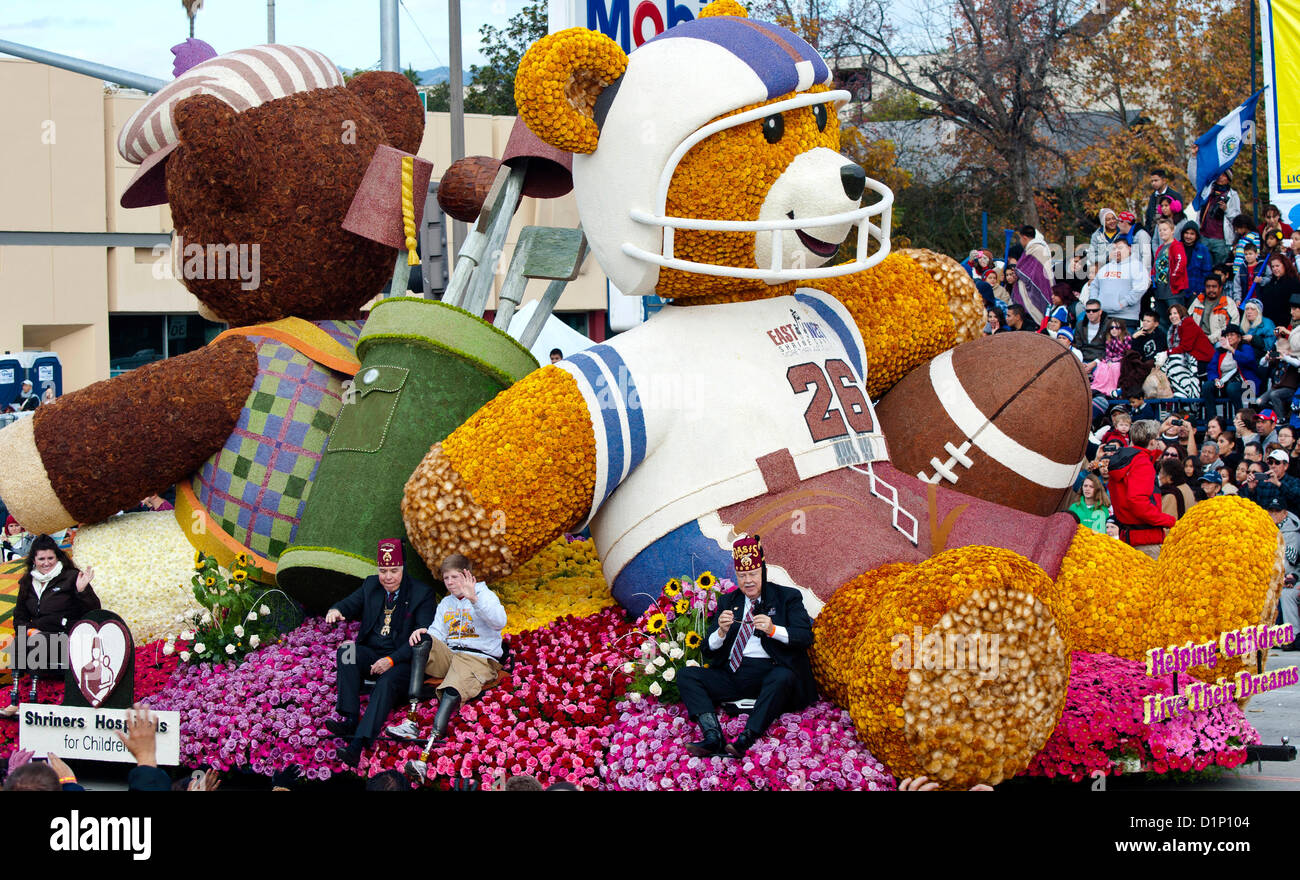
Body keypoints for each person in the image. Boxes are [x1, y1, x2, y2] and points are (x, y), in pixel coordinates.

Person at [679, 535, 815, 758]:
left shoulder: (787, 597)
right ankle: (713, 736)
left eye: (753, 574)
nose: (748, 581)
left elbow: (804, 637)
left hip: (770, 674)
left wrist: (773, 630)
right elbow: (707, 649)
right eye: (742, 576)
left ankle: (745, 739)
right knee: (687, 675)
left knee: (783, 677)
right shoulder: (728, 601)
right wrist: (720, 633)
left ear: (763, 571)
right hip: (733, 673)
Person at [392, 554, 508, 781]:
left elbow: (499, 622)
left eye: (455, 577)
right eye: (446, 578)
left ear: (468, 575)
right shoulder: (446, 602)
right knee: (423, 640)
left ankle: (425, 758)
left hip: (479, 658)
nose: (450, 582)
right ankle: (411, 720)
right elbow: (438, 633)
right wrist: (424, 634)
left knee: (453, 687)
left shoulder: (485, 595)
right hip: (452, 655)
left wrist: (475, 599)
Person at [323, 539, 434, 767]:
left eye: (394, 570)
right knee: (346, 651)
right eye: (383, 571)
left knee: (387, 681)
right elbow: (348, 604)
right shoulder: (371, 585)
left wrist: (391, 660)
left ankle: (357, 746)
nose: (388, 577)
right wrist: (336, 610)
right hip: (372, 653)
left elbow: (423, 637)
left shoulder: (422, 593)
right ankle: (350, 718)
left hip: (403, 660)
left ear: (403, 568)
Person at [1105, 419, 1177, 559]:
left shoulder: (1125, 460)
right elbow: (1137, 501)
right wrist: (1168, 520)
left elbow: (1151, 453)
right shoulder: (1142, 463)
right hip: (1146, 541)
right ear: (1151, 442)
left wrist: (1159, 432)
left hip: (1129, 536)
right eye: (1156, 439)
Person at [1087, 239, 1147, 325]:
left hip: (1126, 318)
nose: (1117, 251)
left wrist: (1123, 303)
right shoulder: (1105, 268)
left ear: (1129, 249)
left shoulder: (1136, 266)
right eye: (1114, 249)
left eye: (1120, 248)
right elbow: (1094, 286)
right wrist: (1095, 303)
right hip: (1104, 317)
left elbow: (1140, 289)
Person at [1164, 302, 1212, 397]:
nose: (1172, 316)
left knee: (1173, 361)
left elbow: (1186, 347)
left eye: (1175, 313)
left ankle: (1186, 393)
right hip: (1189, 358)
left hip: (1202, 359)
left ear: (1181, 314)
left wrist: (1167, 353)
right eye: (1170, 314)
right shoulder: (1173, 328)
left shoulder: (1188, 323)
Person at [1150, 219, 1188, 328]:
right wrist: (1152, 278)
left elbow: (1181, 262)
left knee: (1177, 319)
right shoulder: (1160, 248)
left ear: (1172, 230)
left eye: (1165, 229)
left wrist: (1174, 277)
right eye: (1160, 230)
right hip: (1160, 291)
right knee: (1162, 321)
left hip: (1173, 291)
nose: (1162, 232)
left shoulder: (1176, 245)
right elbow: (1155, 265)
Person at [1240, 449, 1300, 514]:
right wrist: (1251, 489)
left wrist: (1278, 484)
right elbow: (1251, 504)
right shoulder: (1262, 482)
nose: (1273, 466)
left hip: (1286, 521)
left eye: (1277, 462)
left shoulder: (1294, 481)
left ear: (1285, 466)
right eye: (1270, 462)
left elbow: (1296, 499)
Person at [1189, 274, 1239, 344]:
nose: (1211, 289)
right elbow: (1188, 321)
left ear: (1220, 288)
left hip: (1219, 340)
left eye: (1214, 287)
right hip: (1197, 339)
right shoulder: (1198, 300)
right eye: (1208, 287)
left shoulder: (1228, 303)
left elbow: (1231, 327)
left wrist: (1209, 339)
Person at [1090, 318, 1130, 397]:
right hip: (1111, 360)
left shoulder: (1126, 338)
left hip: (1122, 361)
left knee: (1115, 367)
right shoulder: (1109, 340)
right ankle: (1100, 388)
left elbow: (1127, 353)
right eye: (1111, 328)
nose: (1114, 330)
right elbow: (1108, 354)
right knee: (1102, 366)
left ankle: (1112, 389)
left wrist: (1115, 361)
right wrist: (1108, 361)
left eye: (1117, 328)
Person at [1258, 254, 1300, 328]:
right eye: (1273, 267)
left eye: (1277, 266)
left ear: (1285, 265)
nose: (1274, 269)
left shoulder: (1293, 282)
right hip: (1269, 324)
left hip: (1284, 324)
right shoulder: (1271, 282)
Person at [1144, 169, 1183, 237]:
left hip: (1170, 234)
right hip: (1153, 234)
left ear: (1164, 180)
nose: (1153, 183)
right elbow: (1149, 217)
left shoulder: (1174, 195)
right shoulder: (1153, 196)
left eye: (1156, 180)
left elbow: (1179, 215)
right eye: (1152, 181)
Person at [1181, 223, 1213, 300]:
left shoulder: (1203, 250)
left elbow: (1207, 272)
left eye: (1192, 234)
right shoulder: (1176, 247)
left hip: (1195, 292)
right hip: (1178, 292)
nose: (1188, 236)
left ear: (1196, 235)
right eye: (1186, 233)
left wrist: (1199, 290)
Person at [1074, 298, 1109, 369]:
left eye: (1094, 311)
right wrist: (1081, 362)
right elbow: (1078, 346)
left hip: (1101, 361)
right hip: (1083, 359)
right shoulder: (1080, 325)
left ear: (1100, 312)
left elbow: (1108, 349)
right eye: (1088, 311)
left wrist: (1095, 362)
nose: (1091, 313)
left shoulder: (1108, 325)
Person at [1089, 208, 1122, 274]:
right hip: (1104, 270)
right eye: (1108, 220)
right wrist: (1107, 258)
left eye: (1113, 218)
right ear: (1103, 222)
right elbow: (1091, 257)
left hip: (1121, 268)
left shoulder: (1122, 232)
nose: (1112, 221)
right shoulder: (1096, 236)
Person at [1232, 213, 1262, 283]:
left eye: (1237, 228)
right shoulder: (1241, 238)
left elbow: (1256, 253)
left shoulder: (1254, 236)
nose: (1236, 231)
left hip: (1246, 270)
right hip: (1237, 269)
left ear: (1244, 226)